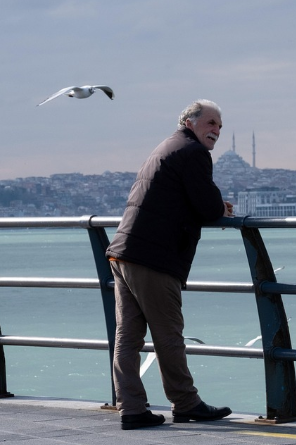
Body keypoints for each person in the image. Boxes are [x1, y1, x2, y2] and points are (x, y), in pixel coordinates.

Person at [106, 99, 235, 430]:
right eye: (211, 123)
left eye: (220, 125)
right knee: (168, 333)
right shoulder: (193, 153)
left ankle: (131, 408)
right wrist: (221, 207)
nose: (217, 130)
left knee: (128, 336)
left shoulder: (165, 147)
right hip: (153, 256)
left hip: (124, 251)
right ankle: (186, 402)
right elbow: (207, 207)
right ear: (190, 122)